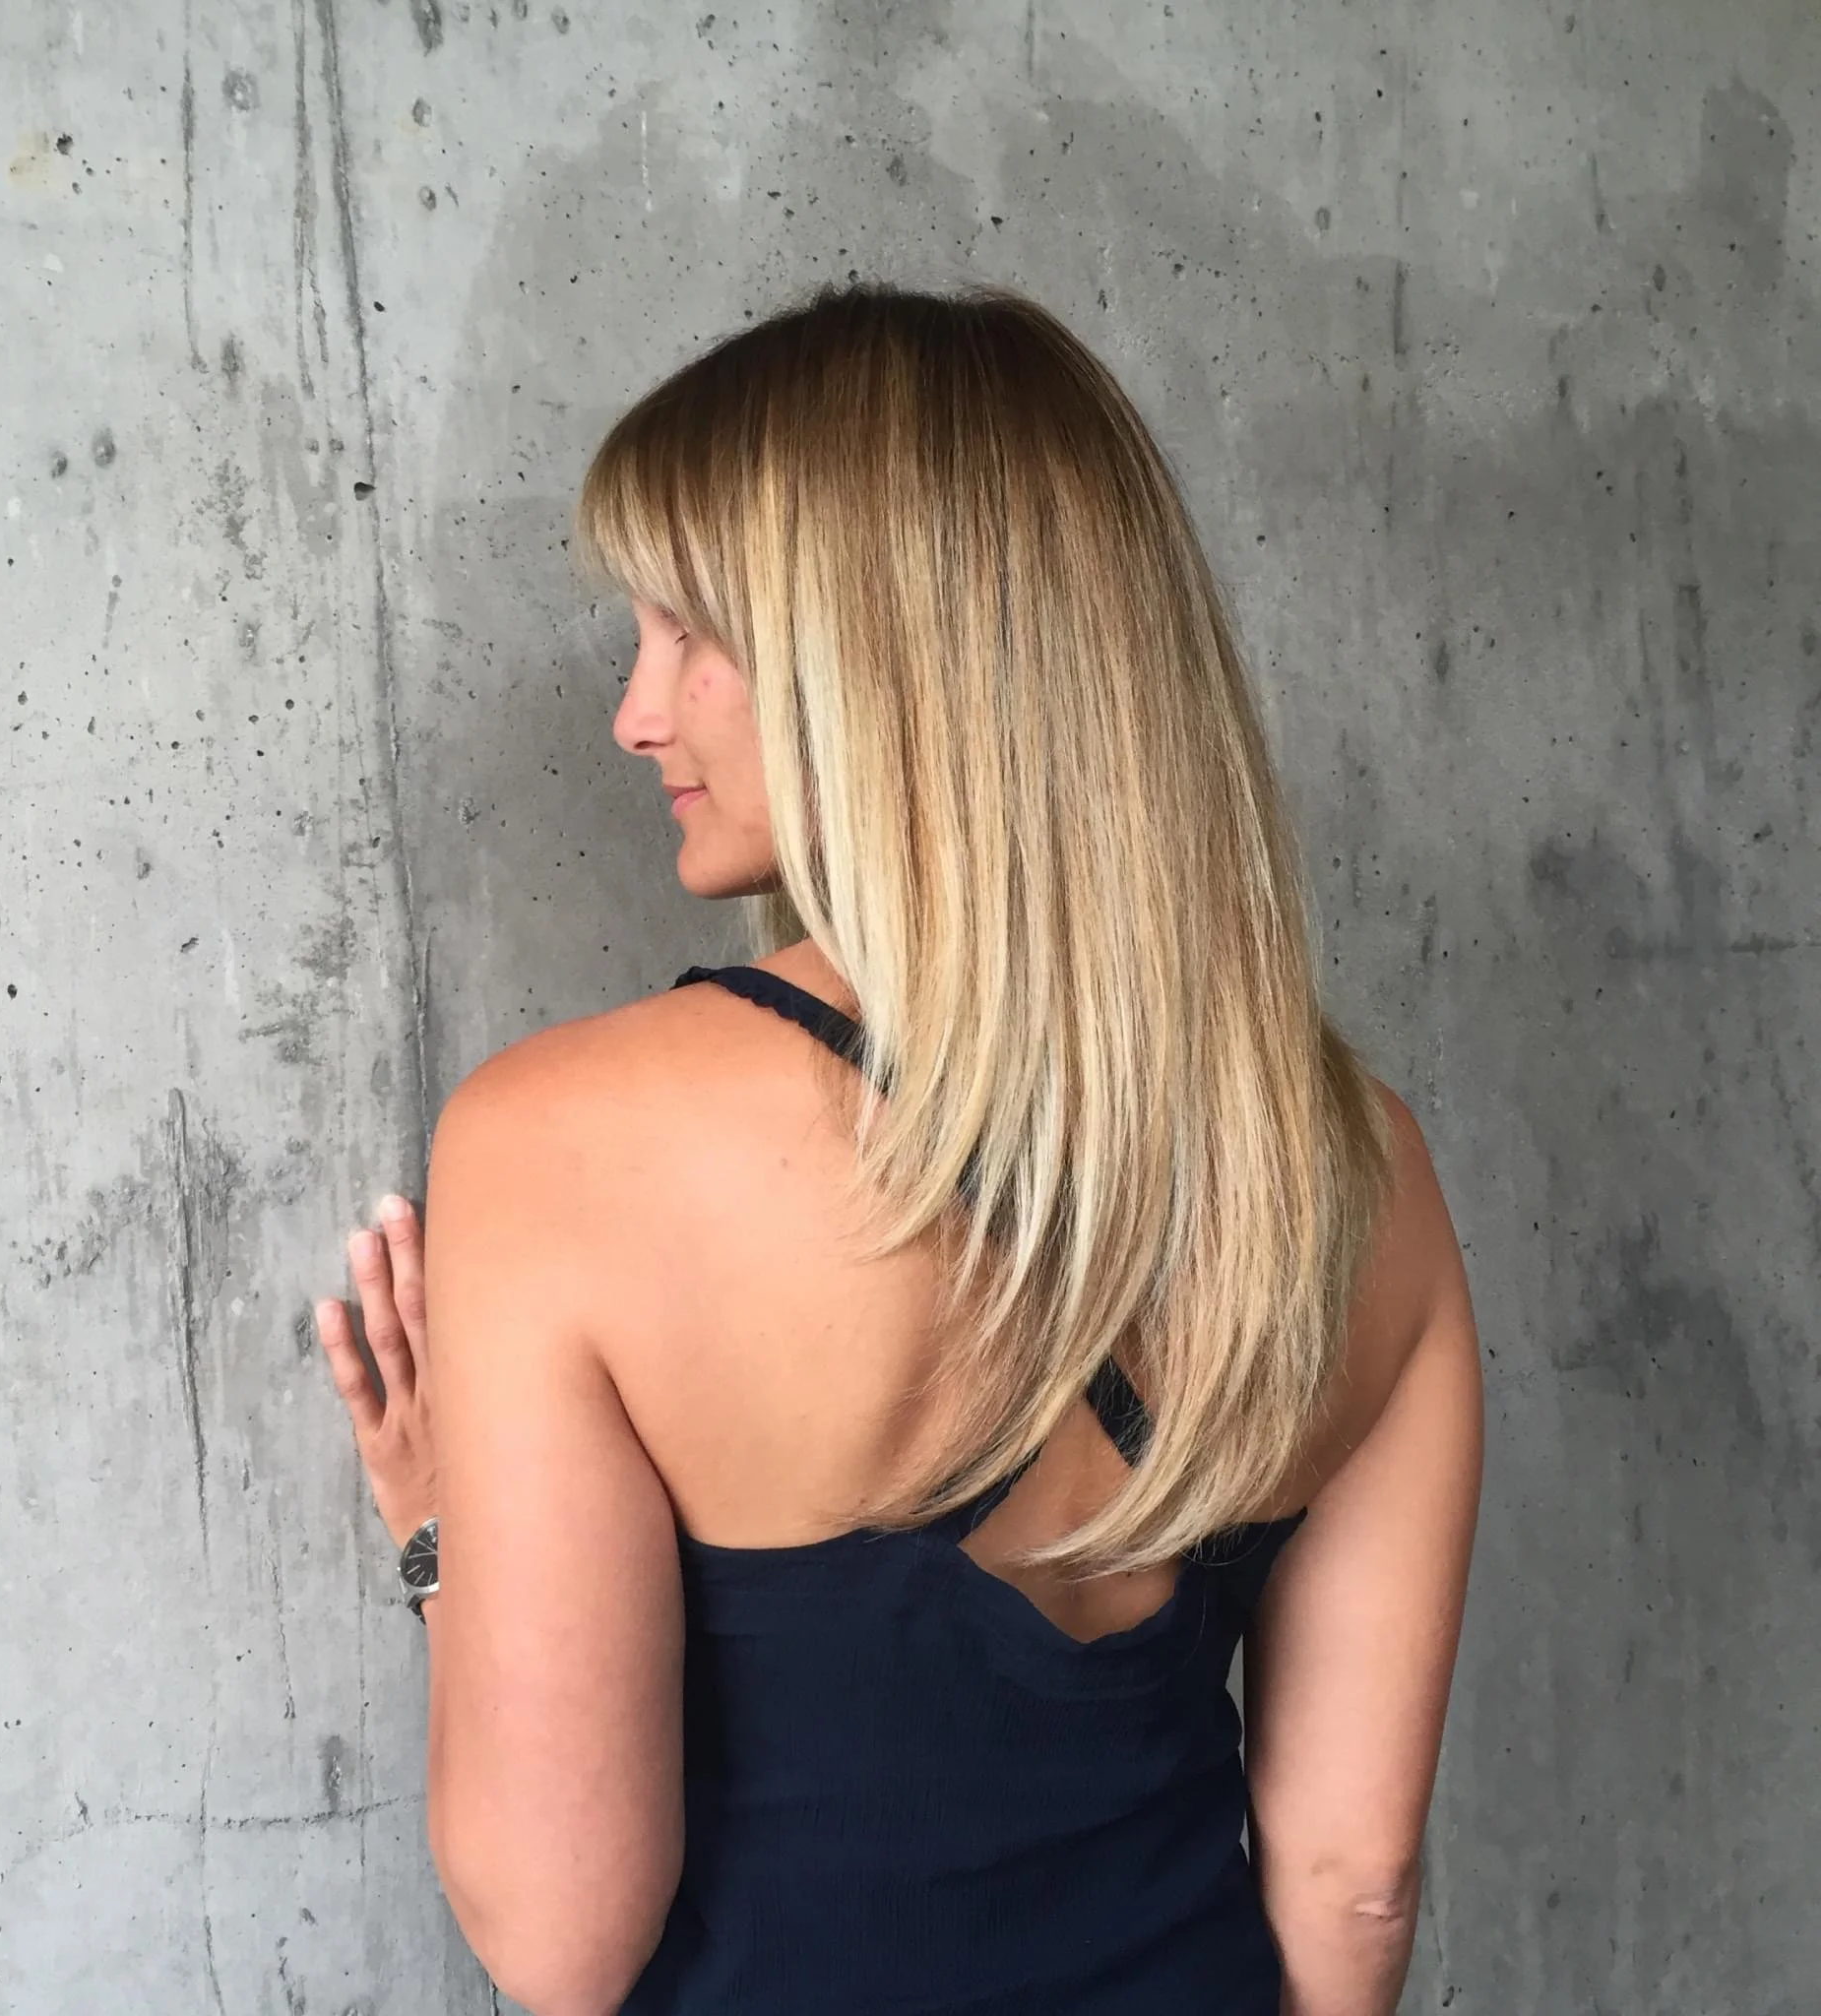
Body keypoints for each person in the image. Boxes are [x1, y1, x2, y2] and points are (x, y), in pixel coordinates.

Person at [313, 281, 1483, 2016]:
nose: (639, 714)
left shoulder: (561, 1146)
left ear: (886, 654)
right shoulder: (1357, 1170)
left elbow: (561, 1939)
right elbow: (1355, 1883)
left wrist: (437, 1538)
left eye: (692, 633)